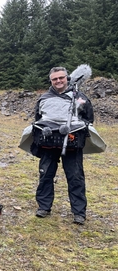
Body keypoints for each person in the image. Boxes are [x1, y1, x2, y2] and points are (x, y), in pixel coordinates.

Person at [32, 67, 94, 225]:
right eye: (55, 79)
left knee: (75, 177)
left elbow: (89, 119)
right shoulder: (44, 98)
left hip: (72, 142)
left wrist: (77, 128)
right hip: (49, 143)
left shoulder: (79, 98)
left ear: (67, 78)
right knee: (45, 175)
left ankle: (79, 212)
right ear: (50, 81)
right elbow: (38, 118)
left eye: (61, 78)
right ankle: (44, 207)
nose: (58, 81)